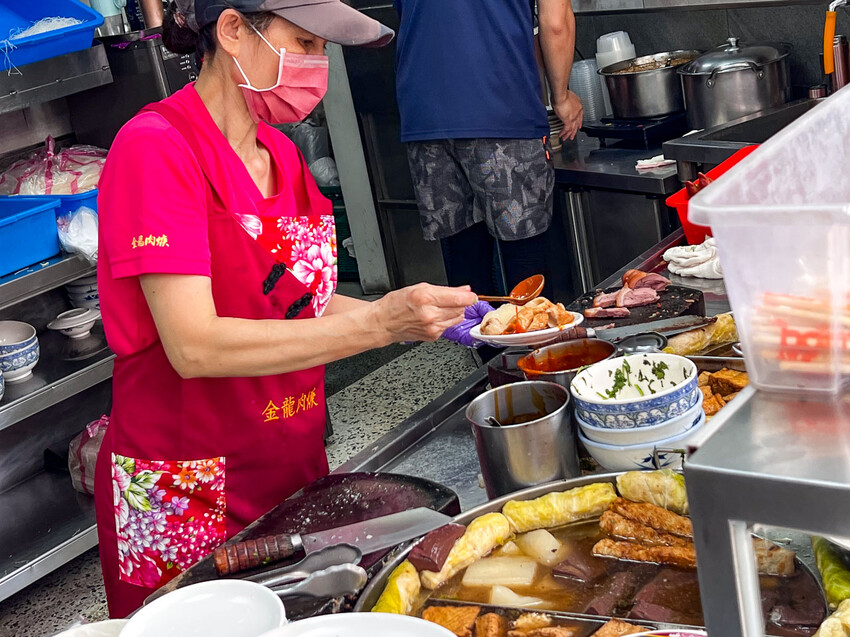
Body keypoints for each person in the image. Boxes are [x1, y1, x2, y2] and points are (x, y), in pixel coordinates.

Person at [94, 0, 477, 616]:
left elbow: (301, 303)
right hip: (187, 485)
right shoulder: (156, 149)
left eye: (324, 49)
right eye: (303, 43)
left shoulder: (282, 154)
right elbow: (194, 345)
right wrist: (379, 325)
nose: (317, 66)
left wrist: (419, 315)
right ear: (232, 29)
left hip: (287, 470)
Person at [394, 0, 582, 298]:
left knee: (464, 263)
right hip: (502, 110)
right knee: (525, 260)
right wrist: (561, 97)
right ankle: (531, 330)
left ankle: (481, 331)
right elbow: (555, 22)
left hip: (424, 117)